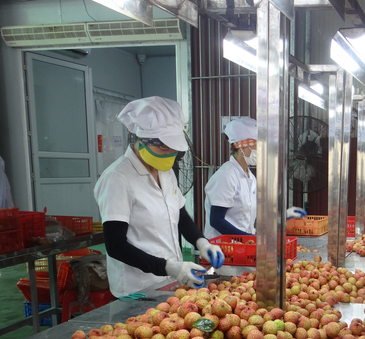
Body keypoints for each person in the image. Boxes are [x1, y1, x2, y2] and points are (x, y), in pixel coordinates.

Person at [94, 96, 225, 297]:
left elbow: (180, 216)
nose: (169, 154)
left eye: (173, 148)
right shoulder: (117, 178)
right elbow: (116, 246)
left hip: (171, 282)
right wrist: (169, 267)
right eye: (164, 147)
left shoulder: (165, 171)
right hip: (137, 287)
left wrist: (201, 242)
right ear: (142, 139)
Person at [204, 118, 306, 239]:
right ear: (241, 146)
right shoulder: (226, 176)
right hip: (223, 249)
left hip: (242, 246)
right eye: (257, 145)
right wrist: (248, 238)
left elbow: (253, 213)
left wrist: (283, 216)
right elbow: (216, 221)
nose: (261, 150)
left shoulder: (250, 176)